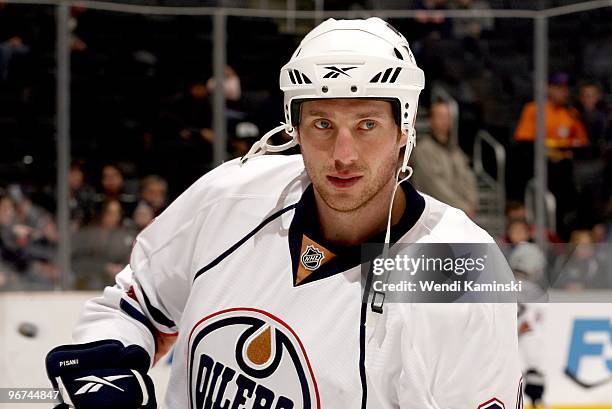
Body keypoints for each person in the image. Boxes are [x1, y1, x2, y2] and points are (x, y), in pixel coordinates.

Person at [46, 18, 521, 409]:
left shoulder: (461, 269)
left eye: (368, 124)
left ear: (405, 129)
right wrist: (101, 369)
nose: (344, 154)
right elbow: (135, 303)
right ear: (293, 126)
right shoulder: (233, 195)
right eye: (322, 124)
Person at [411, 99, 478, 216]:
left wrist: (472, 202)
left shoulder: (455, 150)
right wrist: (462, 207)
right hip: (433, 215)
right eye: (440, 116)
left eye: (447, 116)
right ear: (430, 120)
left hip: (458, 213)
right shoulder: (424, 149)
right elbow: (434, 185)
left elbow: (468, 177)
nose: (444, 121)